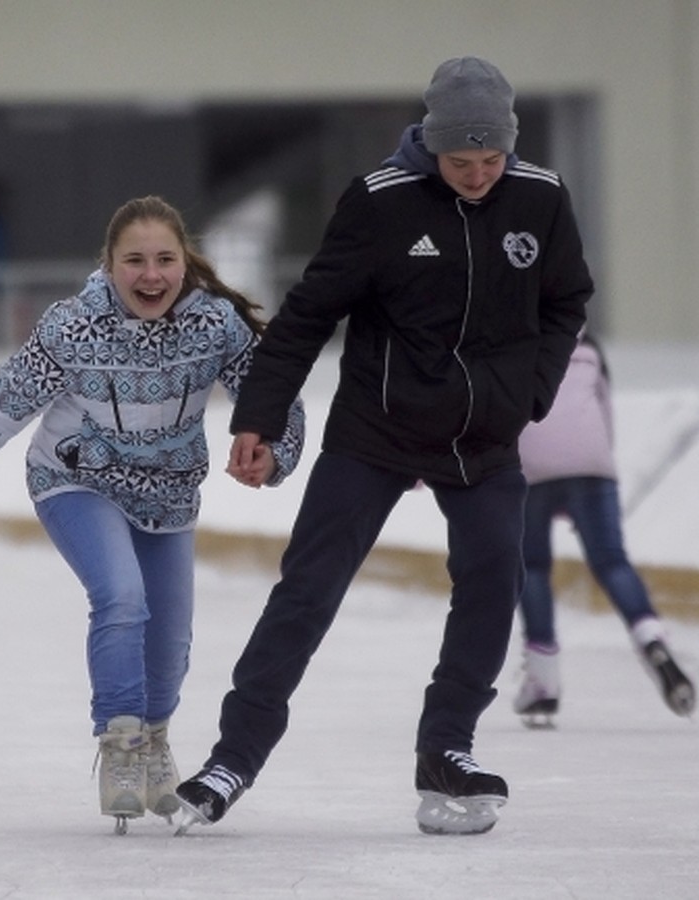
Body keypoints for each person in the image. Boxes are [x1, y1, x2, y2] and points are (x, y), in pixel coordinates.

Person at [173, 56, 593, 837]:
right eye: (460, 161)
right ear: (430, 145)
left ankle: (448, 748)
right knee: (309, 587)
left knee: (494, 577)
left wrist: (530, 391)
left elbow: (568, 298)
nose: (476, 175)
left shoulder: (540, 196)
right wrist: (256, 419)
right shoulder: (381, 202)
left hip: (485, 435)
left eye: (490, 159)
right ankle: (235, 754)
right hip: (379, 426)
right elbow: (306, 317)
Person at [0, 195, 305, 833]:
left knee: (169, 643)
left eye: (165, 259)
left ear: (184, 263)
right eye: (134, 260)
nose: (151, 275)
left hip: (167, 496)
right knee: (121, 597)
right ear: (109, 266)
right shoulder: (71, 326)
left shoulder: (214, 325)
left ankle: (156, 736)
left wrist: (273, 451)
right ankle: (121, 747)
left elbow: (274, 393)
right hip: (74, 480)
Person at [513, 331, 696, 725]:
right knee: (612, 561)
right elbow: (604, 414)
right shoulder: (590, 348)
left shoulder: (510, 336)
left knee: (532, 566)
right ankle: (651, 639)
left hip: (532, 465)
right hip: (592, 464)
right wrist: (591, 476)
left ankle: (543, 681)